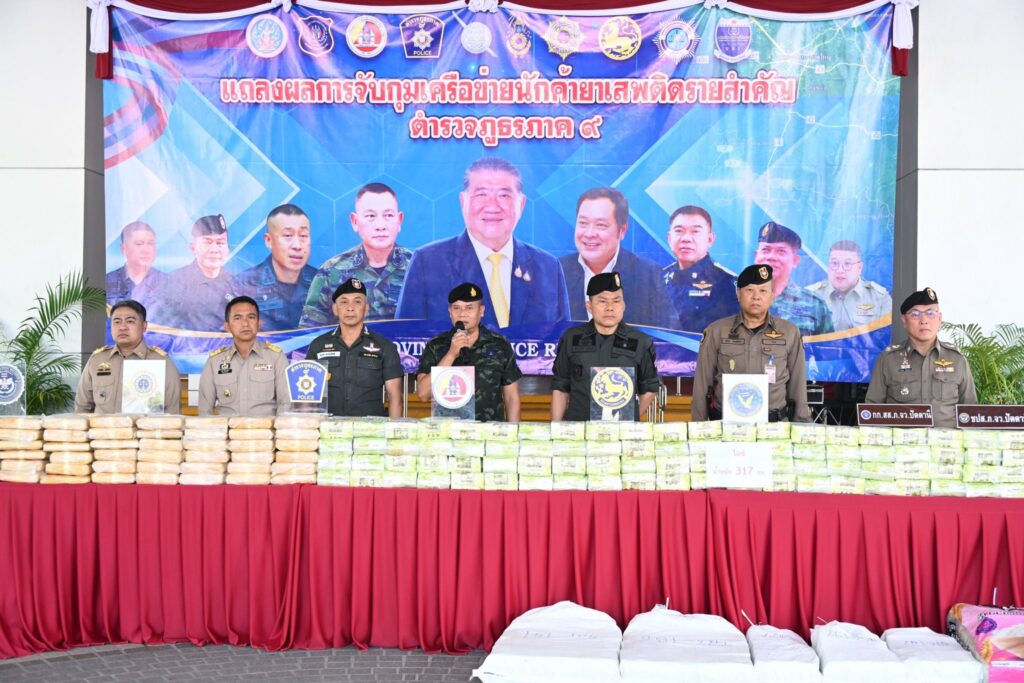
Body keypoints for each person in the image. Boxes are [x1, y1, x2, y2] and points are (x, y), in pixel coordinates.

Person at [396, 157, 570, 328]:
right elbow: (404, 339)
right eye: (481, 195)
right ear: (463, 202)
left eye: (504, 195)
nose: (492, 206)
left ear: (522, 204)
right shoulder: (428, 263)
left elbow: (564, 341)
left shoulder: (548, 268)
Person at [691, 264, 810, 422]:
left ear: (772, 296)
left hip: (774, 427)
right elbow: (702, 384)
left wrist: (801, 425)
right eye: (749, 290)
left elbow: (798, 384)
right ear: (738, 294)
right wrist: (698, 426)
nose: (756, 297)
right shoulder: (717, 331)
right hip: (727, 426)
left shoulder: (789, 332)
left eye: (763, 291)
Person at [551, 272, 660, 421]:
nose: (610, 308)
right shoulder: (572, 339)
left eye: (616, 301)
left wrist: (628, 416)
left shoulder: (640, 342)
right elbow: (560, 388)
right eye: (602, 301)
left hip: (622, 432)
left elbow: (650, 388)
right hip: (579, 430)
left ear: (624, 305)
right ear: (589, 306)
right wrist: (556, 428)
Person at [559, 187, 674, 328]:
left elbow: (670, 336)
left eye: (600, 225)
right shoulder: (557, 271)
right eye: (583, 223)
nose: (589, 234)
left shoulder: (647, 274)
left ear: (622, 230)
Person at [300, 184, 412, 326]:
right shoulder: (331, 271)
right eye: (371, 216)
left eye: (388, 215)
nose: (380, 226)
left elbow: (433, 328)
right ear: (355, 222)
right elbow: (309, 332)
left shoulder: (418, 269)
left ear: (399, 220)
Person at [865, 288, 976, 428]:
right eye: (915, 314)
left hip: (946, 441)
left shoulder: (957, 359)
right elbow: (872, 411)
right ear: (904, 321)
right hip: (902, 441)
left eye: (930, 313)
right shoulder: (888, 360)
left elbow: (970, 411)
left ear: (939, 319)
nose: (924, 320)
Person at [416, 282, 522, 422]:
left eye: (469, 308)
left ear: (481, 311)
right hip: (448, 432)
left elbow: (511, 398)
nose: (462, 314)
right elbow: (423, 394)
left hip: (488, 432)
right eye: (457, 308)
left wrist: (513, 432)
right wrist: (451, 354)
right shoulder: (436, 345)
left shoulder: (499, 345)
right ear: (450, 312)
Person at [304, 278, 404, 417]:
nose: (350, 308)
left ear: (366, 308)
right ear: (335, 309)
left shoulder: (384, 347)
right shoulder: (319, 345)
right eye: (344, 302)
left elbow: (395, 398)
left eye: (357, 302)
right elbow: (307, 396)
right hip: (328, 427)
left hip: (370, 429)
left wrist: (394, 429)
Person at [75, 299, 181, 414]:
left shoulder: (161, 362)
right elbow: (82, 407)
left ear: (144, 326)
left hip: (144, 426)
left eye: (130, 321)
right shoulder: (97, 360)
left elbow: (172, 412)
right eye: (117, 321)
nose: (122, 327)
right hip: (103, 426)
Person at [197, 296, 290, 416]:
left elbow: (286, 404)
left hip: (265, 428)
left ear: (259, 323)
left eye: (251, 317)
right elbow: (205, 411)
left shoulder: (275, 357)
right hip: (227, 428)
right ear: (227, 326)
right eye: (237, 318)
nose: (245, 324)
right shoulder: (215, 361)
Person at [231, 204, 317, 331]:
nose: (297, 246)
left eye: (303, 236)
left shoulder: (321, 282)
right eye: (288, 236)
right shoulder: (243, 284)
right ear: (268, 240)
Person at [147, 214, 234, 331]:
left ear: (228, 248)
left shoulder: (235, 284)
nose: (214, 250)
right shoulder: (173, 282)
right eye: (207, 242)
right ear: (193, 247)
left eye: (220, 243)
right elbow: (160, 327)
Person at [662, 205, 737, 332]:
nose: (686, 239)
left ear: (710, 239)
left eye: (695, 231)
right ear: (669, 238)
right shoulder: (658, 279)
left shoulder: (727, 283)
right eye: (679, 231)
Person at [753, 222, 834, 336]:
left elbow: (827, 346)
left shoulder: (814, 304)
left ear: (795, 260)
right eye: (766, 250)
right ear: (756, 256)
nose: (771, 257)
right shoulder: (734, 296)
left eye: (781, 251)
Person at [807, 240, 892, 331]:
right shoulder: (811, 296)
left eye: (847, 264)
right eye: (834, 263)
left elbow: (886, 336)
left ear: (859, 267)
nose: (840, 270)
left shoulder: (879, 298)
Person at [105, 221, 165, 306]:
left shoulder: (167, 283)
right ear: (124, 249)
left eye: (151, 243)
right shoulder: (106, 281)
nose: (146, 249)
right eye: (139, 244)